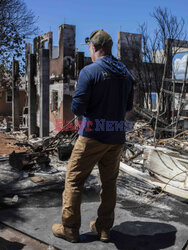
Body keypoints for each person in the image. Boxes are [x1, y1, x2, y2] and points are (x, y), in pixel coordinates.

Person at [52, 29, 134, 243]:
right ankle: (104, 229)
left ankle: (69, 228)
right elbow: (128, 107)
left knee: (74, 179)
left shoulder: (90, 71)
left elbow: (78, 108)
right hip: (116, 137)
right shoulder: (126, 73)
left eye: (89, 46)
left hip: (92, 136)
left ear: (95, 47)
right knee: (109, 183)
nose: (89, 49)